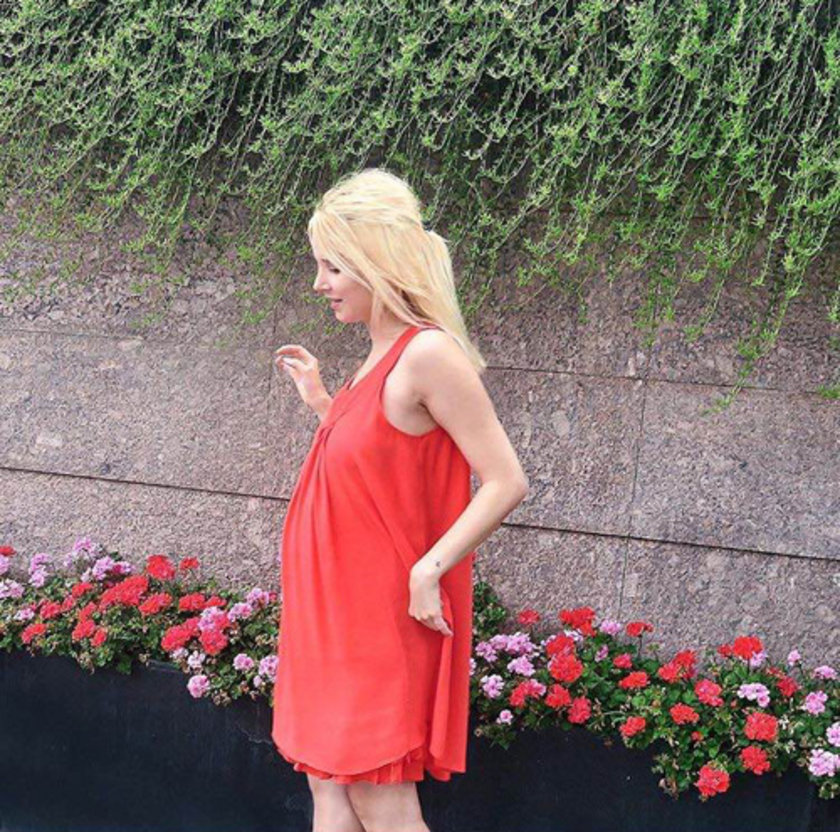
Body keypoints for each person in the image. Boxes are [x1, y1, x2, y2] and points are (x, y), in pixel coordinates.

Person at [271, 167, 529, 832]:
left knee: (377, 797)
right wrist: (324, 405)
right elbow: (377, 463)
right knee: (330, 788)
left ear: (375, 263)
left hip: (376, 616)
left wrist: (427, 570)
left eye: (332, 267)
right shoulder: (376, 356)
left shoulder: (428, 354)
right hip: (330, 609)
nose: (319, 283)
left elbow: (506, 480)